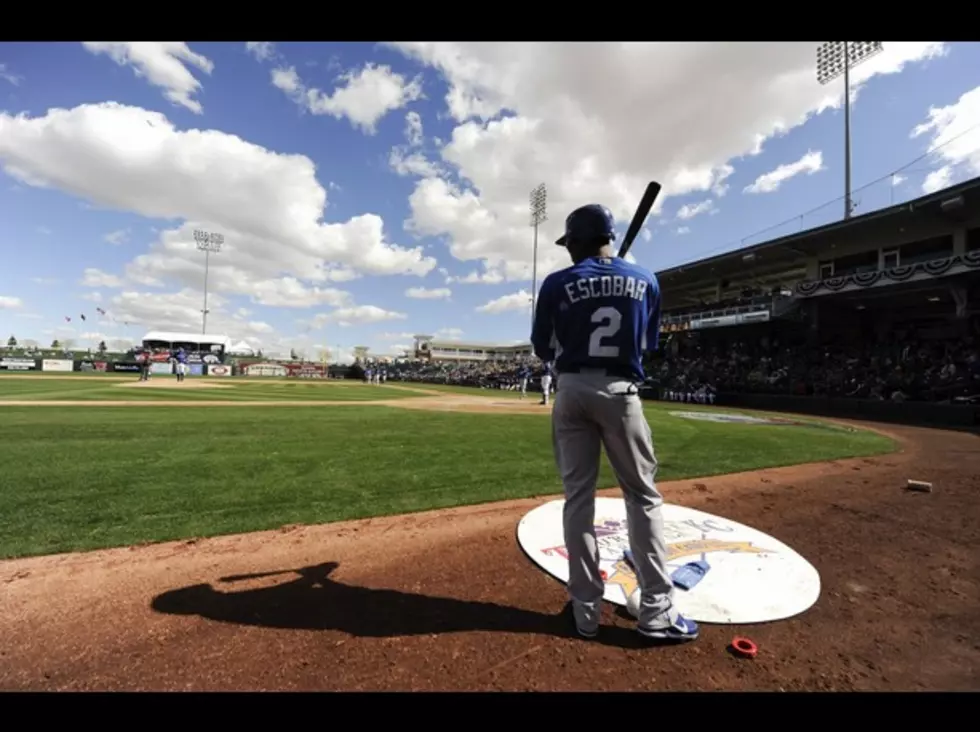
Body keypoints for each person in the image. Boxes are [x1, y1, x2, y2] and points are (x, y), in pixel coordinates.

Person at [530, 203, 698, 644]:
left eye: (570, 244)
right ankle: (657, 613)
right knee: (642, 497)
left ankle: (584, 611)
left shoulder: (558, 283)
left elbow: (543, 348)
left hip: (569, 392)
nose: (568, 252)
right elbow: (646, 344)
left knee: (578, 500)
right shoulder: (646, 280)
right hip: (621, 394)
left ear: (579, 240)